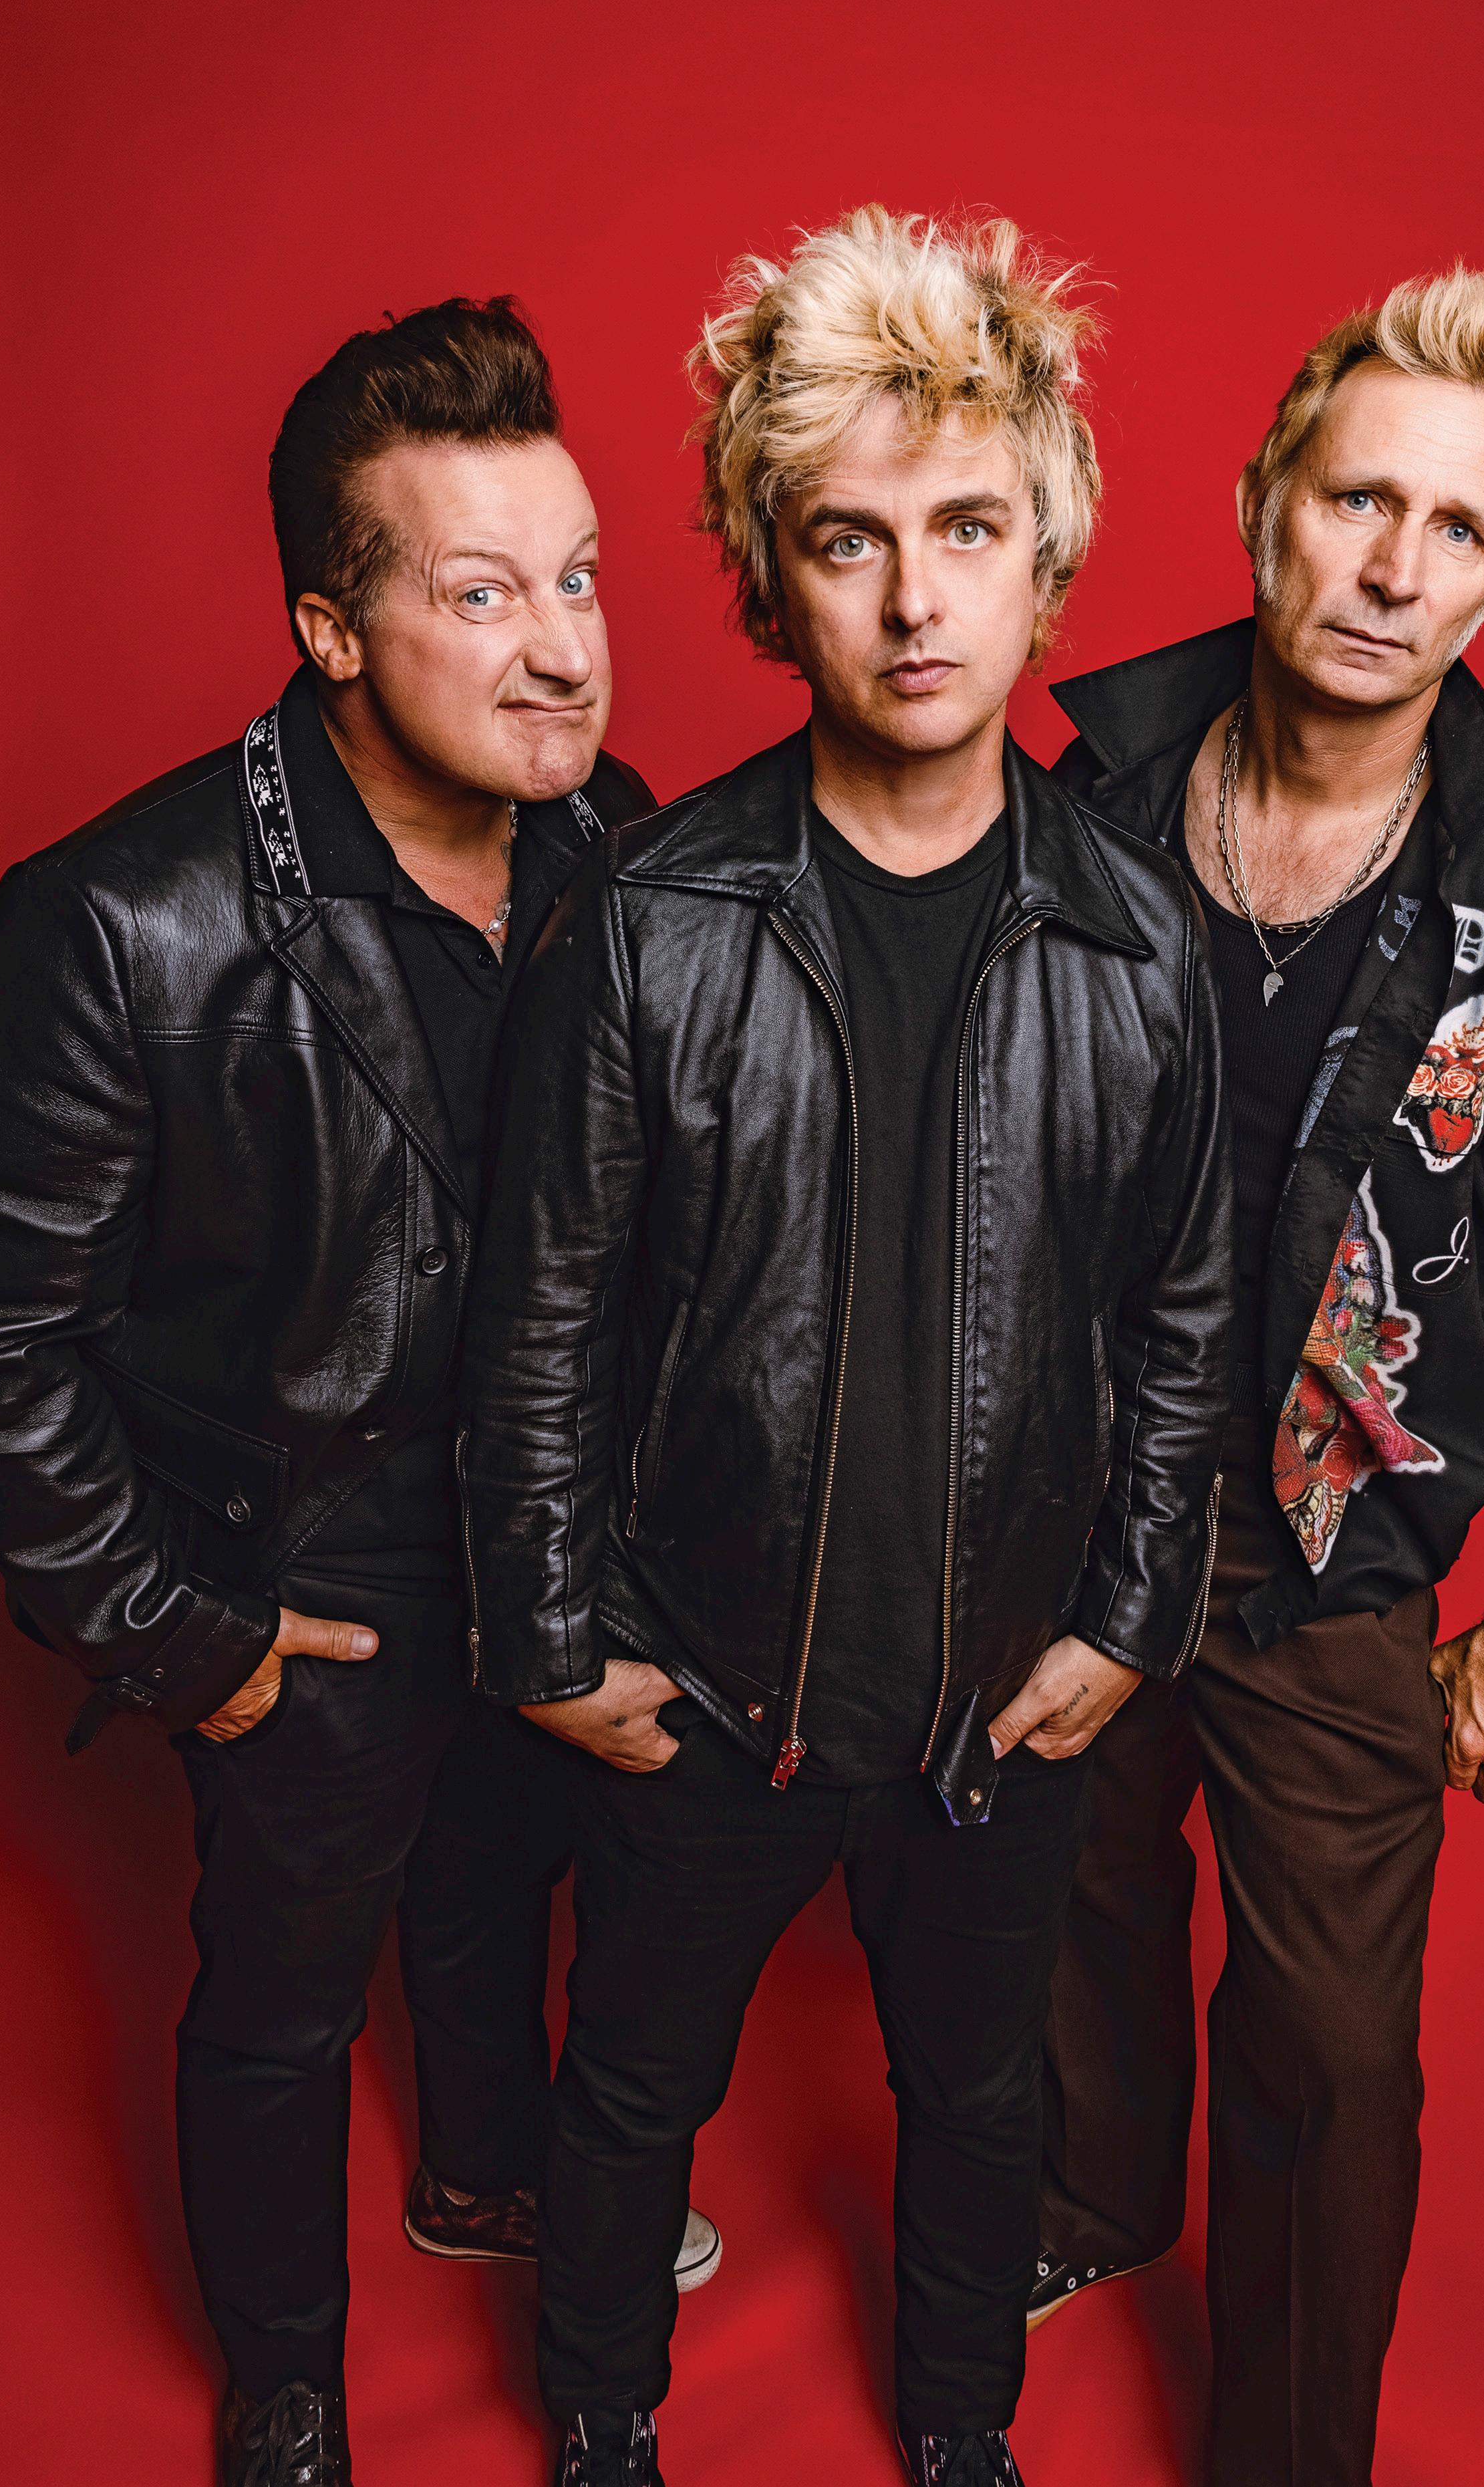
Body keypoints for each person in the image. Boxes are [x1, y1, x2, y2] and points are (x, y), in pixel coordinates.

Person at [0, 297, 717, 2487]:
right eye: (482, 595)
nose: (561, 651)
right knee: (277, 2002)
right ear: (329, 631)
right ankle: (285, 2385)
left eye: (577, 578)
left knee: (506, 1897)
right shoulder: (121, 917)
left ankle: (486, 2175)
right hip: (298, 1565)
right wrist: (184, 1630)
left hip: (543, 1540)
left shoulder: (617, 847)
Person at [460, 206, 1233, 2487]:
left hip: (999, 1687)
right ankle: (601, 2417)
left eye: (965, 529)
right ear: (769, 581)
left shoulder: (1138, 942)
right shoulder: (653, 921)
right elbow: (540, 1313)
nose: (913, 601)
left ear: (1043, 560)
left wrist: (1127, 1615)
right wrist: (554, 1637)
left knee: (981, 2093)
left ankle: (963, 2430)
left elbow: (1186, 1317)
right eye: (849, 540)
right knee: (632, 2085)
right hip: (705, 1681)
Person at [1033, 269, 1484, 2486]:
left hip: (1334, 1553)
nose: (1395, 567)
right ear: (1264, 504)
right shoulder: (1092, 792)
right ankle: (1090, 2194)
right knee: (1063, 1896)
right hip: (1070, 1499)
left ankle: (1288, 2449)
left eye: (1456, 529)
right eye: (1357, 502)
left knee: (1328, 2044)